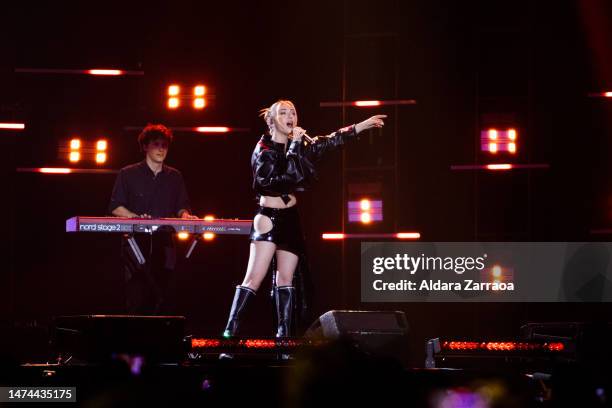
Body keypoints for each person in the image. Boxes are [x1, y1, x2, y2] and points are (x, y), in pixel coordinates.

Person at [221, 100, 386, 340]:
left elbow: (328, 142)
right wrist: (296, 144)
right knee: (254, 278)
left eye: (293, 112)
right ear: (271, 121)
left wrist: (359, 127)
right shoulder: (264, 149)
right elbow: (279, 180)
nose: (290, 116)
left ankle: (284, 338)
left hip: (291, 218)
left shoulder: (297, 145)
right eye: (283, 112)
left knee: (287, 279)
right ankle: (229, 333)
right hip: (268, 217)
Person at [108, 124, 197, 315]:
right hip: (134, 241)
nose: (161, 149)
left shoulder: (175, 176)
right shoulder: (128, 173)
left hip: (165, 241)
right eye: (156, 144)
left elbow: (182, 205)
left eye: (164, 145)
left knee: (164, 292)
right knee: (137, 292)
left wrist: (186, 216)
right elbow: (115, 207)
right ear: (145, 147)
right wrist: (136, 218)